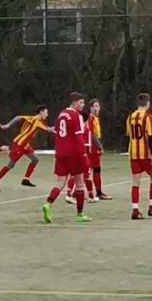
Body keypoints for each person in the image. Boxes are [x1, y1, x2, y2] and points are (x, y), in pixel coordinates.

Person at [41, 93, 92, 224]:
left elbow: (56, 134)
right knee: (79, 182)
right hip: (74, 154)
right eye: (81, 102)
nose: (83, 105)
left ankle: (48, 203)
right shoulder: (76, 116)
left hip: (61, 153)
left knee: (60, 183)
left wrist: (59, 149)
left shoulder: (61, 115)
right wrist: (84, 154)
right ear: (74, 103)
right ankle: (80, 214)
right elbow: (79, 137)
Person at [0, 106, 50, 190]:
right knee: (10, 164)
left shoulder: (30, 118)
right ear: (41, 112)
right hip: (19, 144)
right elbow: (49, 130)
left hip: (25, 144)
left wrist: (8, 125)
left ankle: (25, 179)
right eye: (46, 112)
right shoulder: (38, 121)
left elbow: (18, 117)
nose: (47, 115)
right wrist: (61, 128)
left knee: (35, 159)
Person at [126, 93, 152, 220]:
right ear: (148, 103)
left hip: (133, 154)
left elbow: (129, 134)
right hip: (146, 154)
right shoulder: (148, 117)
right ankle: (151, 208)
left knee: (135, 182)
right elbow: (150, 137)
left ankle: (135, 209)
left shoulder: (130, 117)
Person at [66, 99, 104, 204]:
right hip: (84, 154)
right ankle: (91, 196)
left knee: (74, 174)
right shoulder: (86, 130)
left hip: (73, 153)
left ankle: (69, 194)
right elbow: (89, 141)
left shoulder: (75, 129)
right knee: (87, 175)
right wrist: (99, 147)